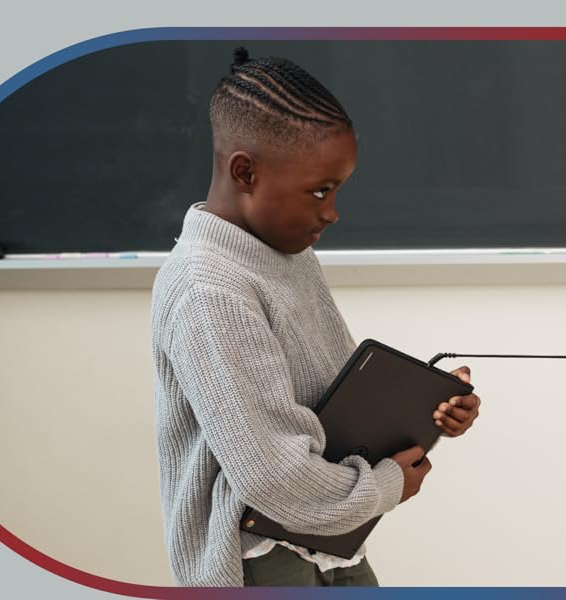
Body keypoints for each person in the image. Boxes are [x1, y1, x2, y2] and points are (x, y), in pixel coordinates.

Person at [151, 47, 482, 587]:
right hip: (259, 560)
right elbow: (271, 475)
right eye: (319, 191)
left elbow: (330, 400)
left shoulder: (283, 250)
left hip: (328, 544)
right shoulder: (209, 290)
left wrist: (426, 405)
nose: (332, 211)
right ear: (245, 172)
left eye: (338, 189)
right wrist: (384, 486)